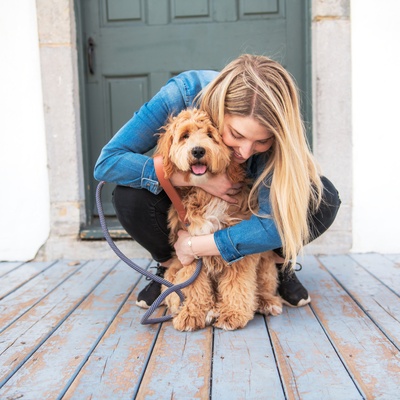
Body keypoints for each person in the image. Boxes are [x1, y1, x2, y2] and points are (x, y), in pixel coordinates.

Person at [94, 54, 341, 310]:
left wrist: (194, 245)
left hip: (244, 210)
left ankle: (278, 265)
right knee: (128, 197)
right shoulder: (181, 94)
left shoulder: (275, 141)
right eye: (236, 134)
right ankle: (171, 267)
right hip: (189, 203)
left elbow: (271, 225)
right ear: (220, 110)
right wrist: (195, 179)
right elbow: (108, 162)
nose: (245, 152)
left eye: (261, 141)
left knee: (322, 198)